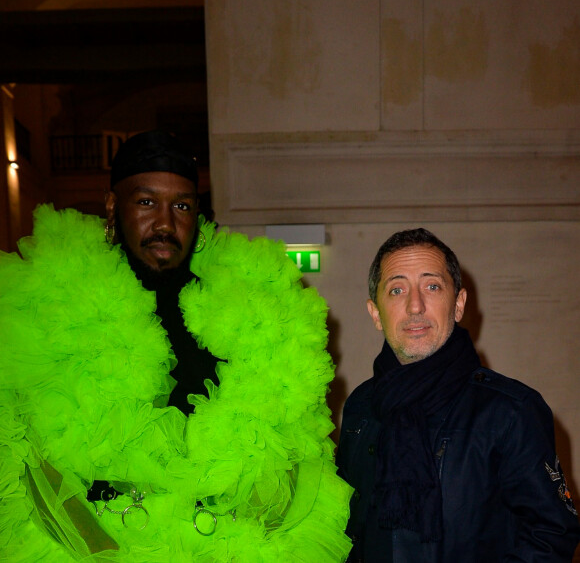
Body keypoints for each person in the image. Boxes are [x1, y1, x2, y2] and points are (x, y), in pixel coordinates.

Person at [0, 130, 352, 561]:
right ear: (113, 206)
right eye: (147, 202)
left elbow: (298, 446)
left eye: (181, 206)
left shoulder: (253, 313)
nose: (165, 223)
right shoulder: (49, 306)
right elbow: (29, 456)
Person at [336, 227, 580, 562]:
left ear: (459, 304)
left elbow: (551, 534)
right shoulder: (361, 408)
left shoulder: (510, 410)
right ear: (376, 313)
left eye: (432, 286)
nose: (415, 306)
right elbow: (346, 529)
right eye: (396, 290)